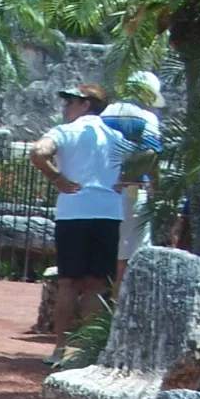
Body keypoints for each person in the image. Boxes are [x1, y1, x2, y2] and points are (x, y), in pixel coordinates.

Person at [29, 83, 124, 343]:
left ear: (86, 105)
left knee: (68, 282)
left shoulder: (65, 131)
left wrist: (57, 178)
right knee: (97, 285)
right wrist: (125, 179)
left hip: (74, 212)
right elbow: (147, 157)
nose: (66, 107)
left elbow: (38, 152)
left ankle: (60, 347)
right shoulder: (117, 136)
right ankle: (83, 351)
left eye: (71, 102)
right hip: (108, 213)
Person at [102, 71, 163, 269]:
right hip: (130, 189)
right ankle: (119, 298)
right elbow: (150, 154)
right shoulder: (146, 117)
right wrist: (155, 188)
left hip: (101, 188)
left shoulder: (106, 112)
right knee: (131, 253)